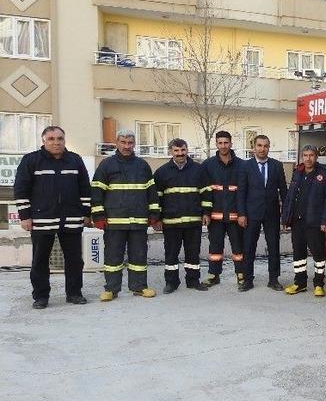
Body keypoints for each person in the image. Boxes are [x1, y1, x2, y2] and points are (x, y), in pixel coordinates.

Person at [13, 126, 92, 309]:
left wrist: (86, 213)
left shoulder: (75, 160)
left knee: (74, 260)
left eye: (60, 138)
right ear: (44, 140)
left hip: (71, 218)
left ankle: (74, 293)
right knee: (40, 260)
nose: (56, 142)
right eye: (51, 139)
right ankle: (41, 297)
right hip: (42, 219)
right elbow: (20, 189)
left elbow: (85, 189)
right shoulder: (31, 160)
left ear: (65, 140)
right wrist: (25, 216)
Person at [90, 129, 160, 301]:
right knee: (113, 257)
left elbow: (151, 192)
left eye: (130, 143)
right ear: (117, 143)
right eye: (123, 142)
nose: (126, 146)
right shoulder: (106, 165)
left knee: (139, 256)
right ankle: (111, 289)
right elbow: (97, 191)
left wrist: (154, 214)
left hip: (138, 220)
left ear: (134, 144)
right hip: (114, 221)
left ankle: (139, 287)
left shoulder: (142, 165)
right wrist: (98, 216)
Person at [154, 138, 211, 294]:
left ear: (187, 150)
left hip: (193, 221)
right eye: (176, 151)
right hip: (171, 222)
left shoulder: (199, 170)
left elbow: (206, 193)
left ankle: (193, 281)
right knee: (171, 254)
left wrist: (206, 213)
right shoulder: (161, 172)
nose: (180, 154)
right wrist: (156, 218)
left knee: (193, 253)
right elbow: (156, 198)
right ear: (170, 152)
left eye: (183, 150)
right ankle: (171, 283)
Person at [281, 144, 326, 297]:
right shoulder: (297, 173)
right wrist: (286, 218)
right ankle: (300, 283)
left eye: (311, 155)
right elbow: (290, 197)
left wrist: (325, 221)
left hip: (315, 222)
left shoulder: (324, 174)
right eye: (305, 155)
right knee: (298, 254)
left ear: (316, 157)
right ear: (302, 157)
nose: (308, 158)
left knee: (318, 255)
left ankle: (318, 284)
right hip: (297, 221)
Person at [236, 135, 287, 292]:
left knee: (274, 247)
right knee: (249, 247)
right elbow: (241, 192)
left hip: (272, 213)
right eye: (259, 145)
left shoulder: (277, 166)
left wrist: (285, 215)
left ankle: (273, 279)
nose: (262, 149)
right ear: (254, 147)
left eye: (265, 146)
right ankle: (248, 280)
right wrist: (241, 214)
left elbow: (284, 192)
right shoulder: (245, 166)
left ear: (269, 147)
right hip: (251, 214)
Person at [201, 131, 245, 288]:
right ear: (216, 144)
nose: (223, 146)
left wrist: (242, 214)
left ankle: (241, 274)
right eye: (220, 143)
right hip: (215, 216)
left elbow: (243, 192)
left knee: (239, 247)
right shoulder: (208, 165)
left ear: (231, 144)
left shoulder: (242, 165)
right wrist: (205, 213)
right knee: (215, 248)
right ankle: (214, 275)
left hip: (236, 216)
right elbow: (205, 191)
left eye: (226, 143)